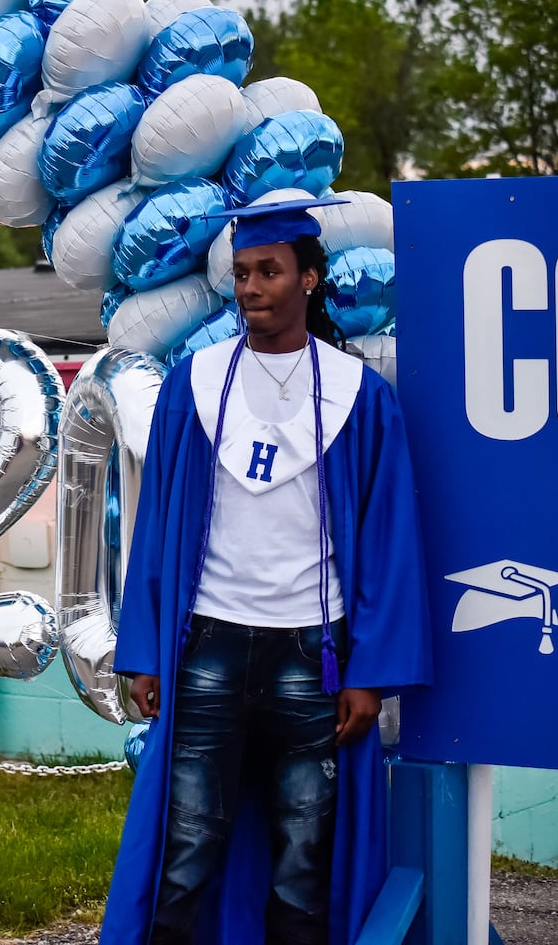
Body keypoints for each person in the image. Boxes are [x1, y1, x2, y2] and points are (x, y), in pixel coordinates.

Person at [99, 198, 432, 945]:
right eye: (242, 273)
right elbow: (158, 524)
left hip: (310, 655)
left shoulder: (358, 398)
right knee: (184, 854)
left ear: (309, 279)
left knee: (302, 864)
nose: (251, 287)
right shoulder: (196, 383)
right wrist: (148, 649)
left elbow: (387, 541)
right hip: (209, 646)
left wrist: (367, 672)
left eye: (270, 272)